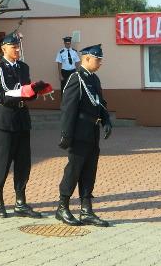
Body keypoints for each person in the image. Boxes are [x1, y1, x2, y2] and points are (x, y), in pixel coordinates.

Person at [57, 44, 112, 227]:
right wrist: (66, 134)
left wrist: (106, 120)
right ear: (87, 58)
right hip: (79, 133)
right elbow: (68, 109)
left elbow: (100, 103)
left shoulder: (94, 79)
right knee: (74, 170)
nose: (100, 63)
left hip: (92, 132)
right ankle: (62, 207)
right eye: (98, 59)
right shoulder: (76, 78)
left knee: (89, 171)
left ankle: (86, 210)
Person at [0, 33, 43, 219]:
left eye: (18, 46)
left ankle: (20, 202)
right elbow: (0, 95)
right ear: (4, 48)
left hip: (22, 119)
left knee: (23, 162)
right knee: (3, 162)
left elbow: (27, 92)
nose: (17, 50)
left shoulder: (23, 67)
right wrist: (23, 92)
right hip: (6, 120)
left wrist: (36, 90)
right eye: (14, 47)